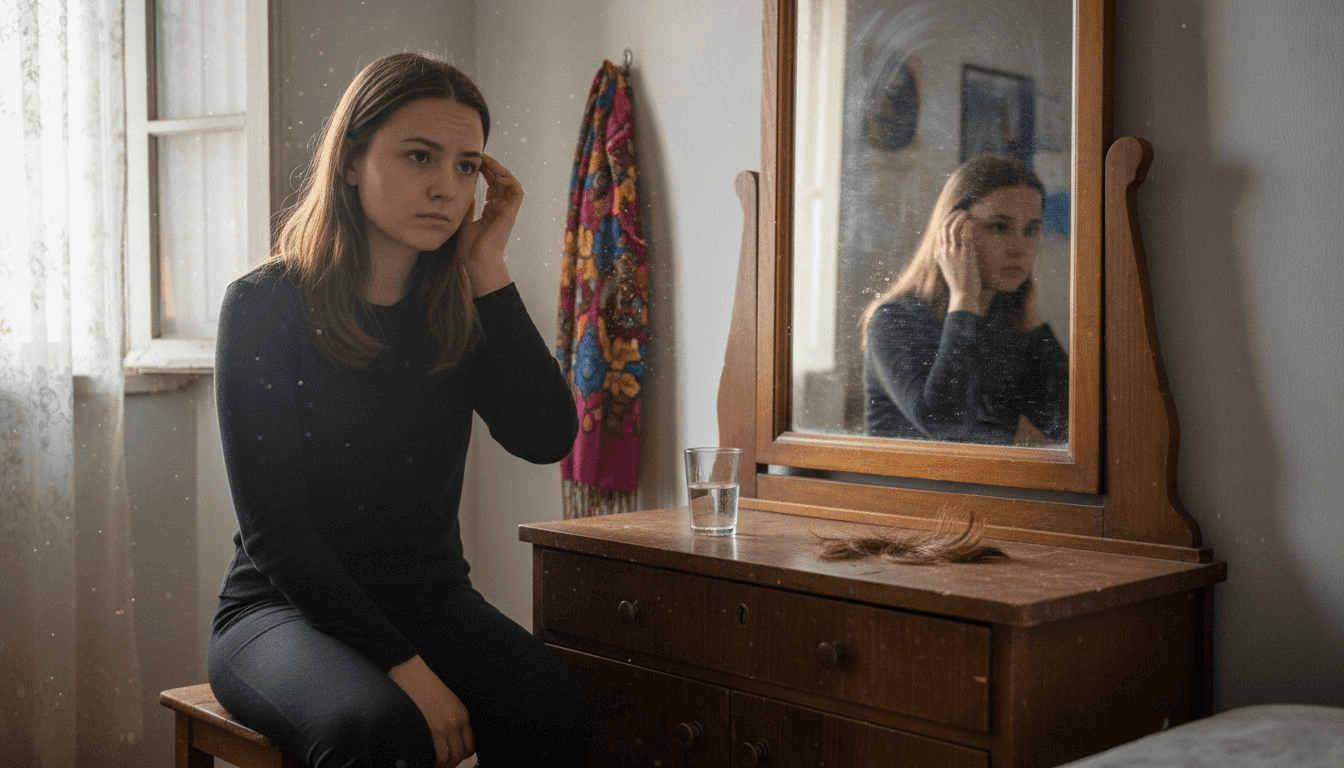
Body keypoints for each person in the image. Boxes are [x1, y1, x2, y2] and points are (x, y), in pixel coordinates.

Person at [207, 53, 591, 767]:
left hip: (429, 599)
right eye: (421, 157)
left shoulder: (461, 308)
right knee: (378, 732)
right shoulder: (264, 305)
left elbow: (547, 437)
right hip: (280, 610)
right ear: (352, 160)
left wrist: (489, 269)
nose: (446, 188)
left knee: (552, 703)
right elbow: (276, 533)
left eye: (467, 166)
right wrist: (406, 668)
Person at [861, 153, 1068, 445]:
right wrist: (964, 297)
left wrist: (1032, 326)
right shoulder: (894, 320)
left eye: (1031, 230)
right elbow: (944, 423)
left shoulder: (1006, 320)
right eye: (999, 227)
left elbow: (1070, 423)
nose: (1020, 249)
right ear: (953, 232)